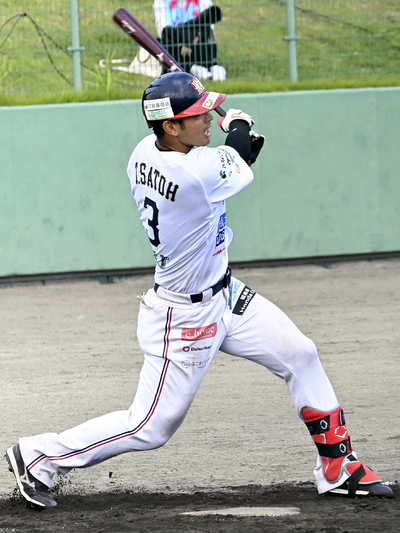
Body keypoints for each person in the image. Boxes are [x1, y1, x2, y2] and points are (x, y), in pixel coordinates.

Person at [6, 72, 393, 509]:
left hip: (226, 294)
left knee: (301, 353)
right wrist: (242, 125)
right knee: (150, 427)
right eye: (196, 114)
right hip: (183, 316)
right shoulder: (195, 171)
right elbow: (237, 155)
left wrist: (239, 148)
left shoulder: (144, 152)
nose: (208, 117)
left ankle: (338, 467)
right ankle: (40, 455)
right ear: (170, 127)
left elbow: (235, 161)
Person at [154, 0, 226, 81]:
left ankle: (209, 69)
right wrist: (184, 42)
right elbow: (164, 31)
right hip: (176, 43)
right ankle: (197, 69)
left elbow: (208, 28)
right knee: (162, 42)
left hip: (198, 41)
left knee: (205, 29)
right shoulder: (161, 2)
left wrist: (190, 41)